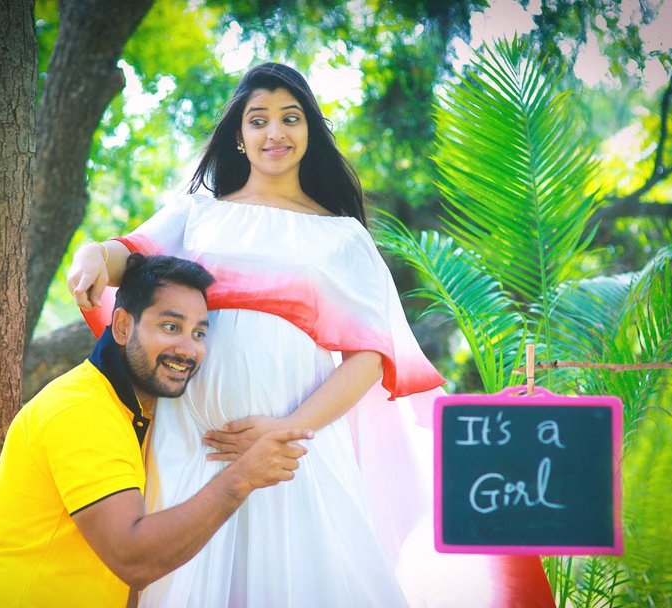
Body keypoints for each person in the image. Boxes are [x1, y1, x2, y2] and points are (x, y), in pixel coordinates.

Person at [68, 63, 554, 607]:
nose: (274, 132)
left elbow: (371, 357)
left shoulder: (342, 235)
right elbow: (129, 256)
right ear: (239, 136)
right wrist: (92, 254)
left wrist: (285, 430)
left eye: (290, 118)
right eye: (258, 120)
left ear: (309, 131)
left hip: (295, 451)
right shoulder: (197, 214)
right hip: (194, 444)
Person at [0, 254, 314, 607]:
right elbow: (132, 559)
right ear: (123, 326)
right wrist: (241, 478)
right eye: (171, 327)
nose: (188, 349)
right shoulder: (81, 409)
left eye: (199, 333)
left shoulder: (145, 412)